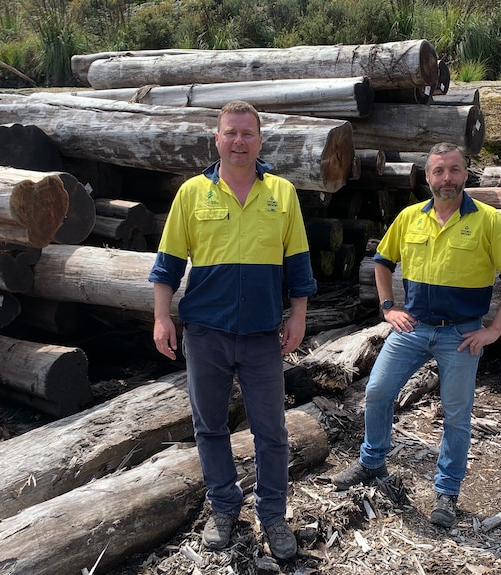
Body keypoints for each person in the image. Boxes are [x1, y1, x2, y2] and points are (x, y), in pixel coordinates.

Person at [330, 142, 501, 528]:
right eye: (439, 172)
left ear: (466, 174)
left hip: (462, 335)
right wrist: (389, 307)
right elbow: (382, 262)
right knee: (377, 392)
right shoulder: (409, 217)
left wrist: (494, 330)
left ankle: (447, 491)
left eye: (454, 171)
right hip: (413, 328)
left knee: (456, 415)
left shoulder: (488, 221)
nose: (447, 179)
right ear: (427, 177)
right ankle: (372, 462)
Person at [149, 100, 317, 559]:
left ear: (260, 140)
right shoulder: (191, 194)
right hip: (205, 333)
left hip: (263, 334)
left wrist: (298, 315)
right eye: (231, 133)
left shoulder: (282, 193)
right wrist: (163, 317)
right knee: (210, 426)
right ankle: (224, 507)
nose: (239, 141)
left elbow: (299, 265)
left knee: (272, 430)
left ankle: (274, 516)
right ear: (217, 140)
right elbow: (167, 266)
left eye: (247, 133)